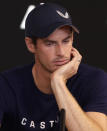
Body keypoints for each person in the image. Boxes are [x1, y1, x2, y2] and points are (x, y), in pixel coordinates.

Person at [0, 2, 107, 131]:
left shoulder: (94, 80)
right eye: (50, 43)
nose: (61, 53)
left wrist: (58, 83)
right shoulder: (6, 84)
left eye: (66, 41)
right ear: (31, 45)